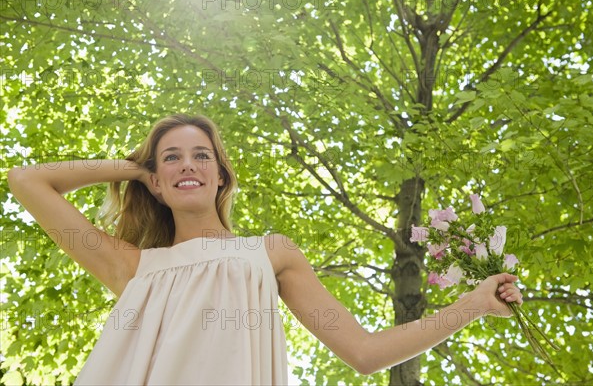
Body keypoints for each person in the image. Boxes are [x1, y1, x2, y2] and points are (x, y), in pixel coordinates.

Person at [7, 113, 523, 385]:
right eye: (172, 158)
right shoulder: (133, 265)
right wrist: (135, 167)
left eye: (201, 155)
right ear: (156, 184)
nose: (188, 164)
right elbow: (27, 180)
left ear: (221, 175)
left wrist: (471, 305)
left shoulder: (270, 252)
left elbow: (365, 354)